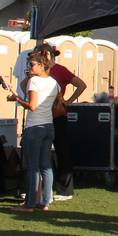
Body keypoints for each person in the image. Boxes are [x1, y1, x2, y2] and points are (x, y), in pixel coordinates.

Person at [32, 42, 87, 201]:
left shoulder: (59, 70)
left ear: (47, 55)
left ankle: (65, 189)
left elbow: (81, 85)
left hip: (57, 116)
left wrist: (67, 102)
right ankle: (38, 188)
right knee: (41, 151)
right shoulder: (39, 72)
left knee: (61, 150)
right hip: (41, 115)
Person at [5, 52, 59, 212]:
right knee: (45, 167)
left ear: (42, 65)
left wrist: (17, 99)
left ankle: (29, 204)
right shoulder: (53, 82)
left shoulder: (33, 81)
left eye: (32, 64)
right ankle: (44, 202)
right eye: (28, 64)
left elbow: (32, 106)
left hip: (34, 127)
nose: (29, 68)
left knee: (32, 167)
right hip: (48, 126)